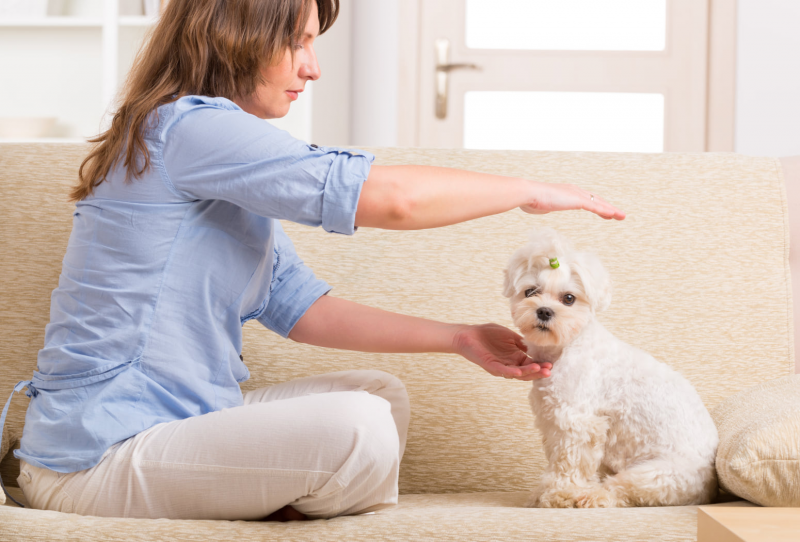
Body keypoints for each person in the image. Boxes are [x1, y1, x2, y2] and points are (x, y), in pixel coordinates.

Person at [1, 0, 625, 521]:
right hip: (96, 454)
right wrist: (528, 192)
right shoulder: (189, 130)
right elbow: (390, 199)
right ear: (237, 39)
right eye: (298, 43)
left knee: (379, 396)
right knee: (358, 427)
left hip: (181, 420)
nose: (313, 67)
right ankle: (279, 500)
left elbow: (301, 308)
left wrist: (458, 338)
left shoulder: (222, 165)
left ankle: (274, 499)